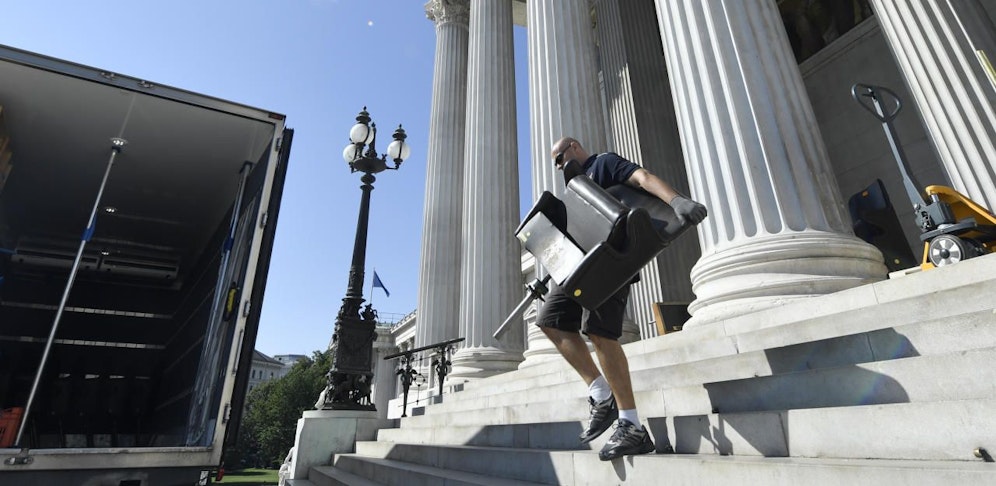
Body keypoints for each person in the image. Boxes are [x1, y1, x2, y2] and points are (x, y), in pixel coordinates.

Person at [537, 136, 707, 461]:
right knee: (551, 321)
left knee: (599, 331)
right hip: (579, 263)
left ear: (573, 147)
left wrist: (677, 201)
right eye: (555, 163)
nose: (558, 166)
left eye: (559, 158)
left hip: (615, 259)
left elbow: (642, 177)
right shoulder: (574, 188)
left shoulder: (603, 163)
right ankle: (602, 395)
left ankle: (632, 426)